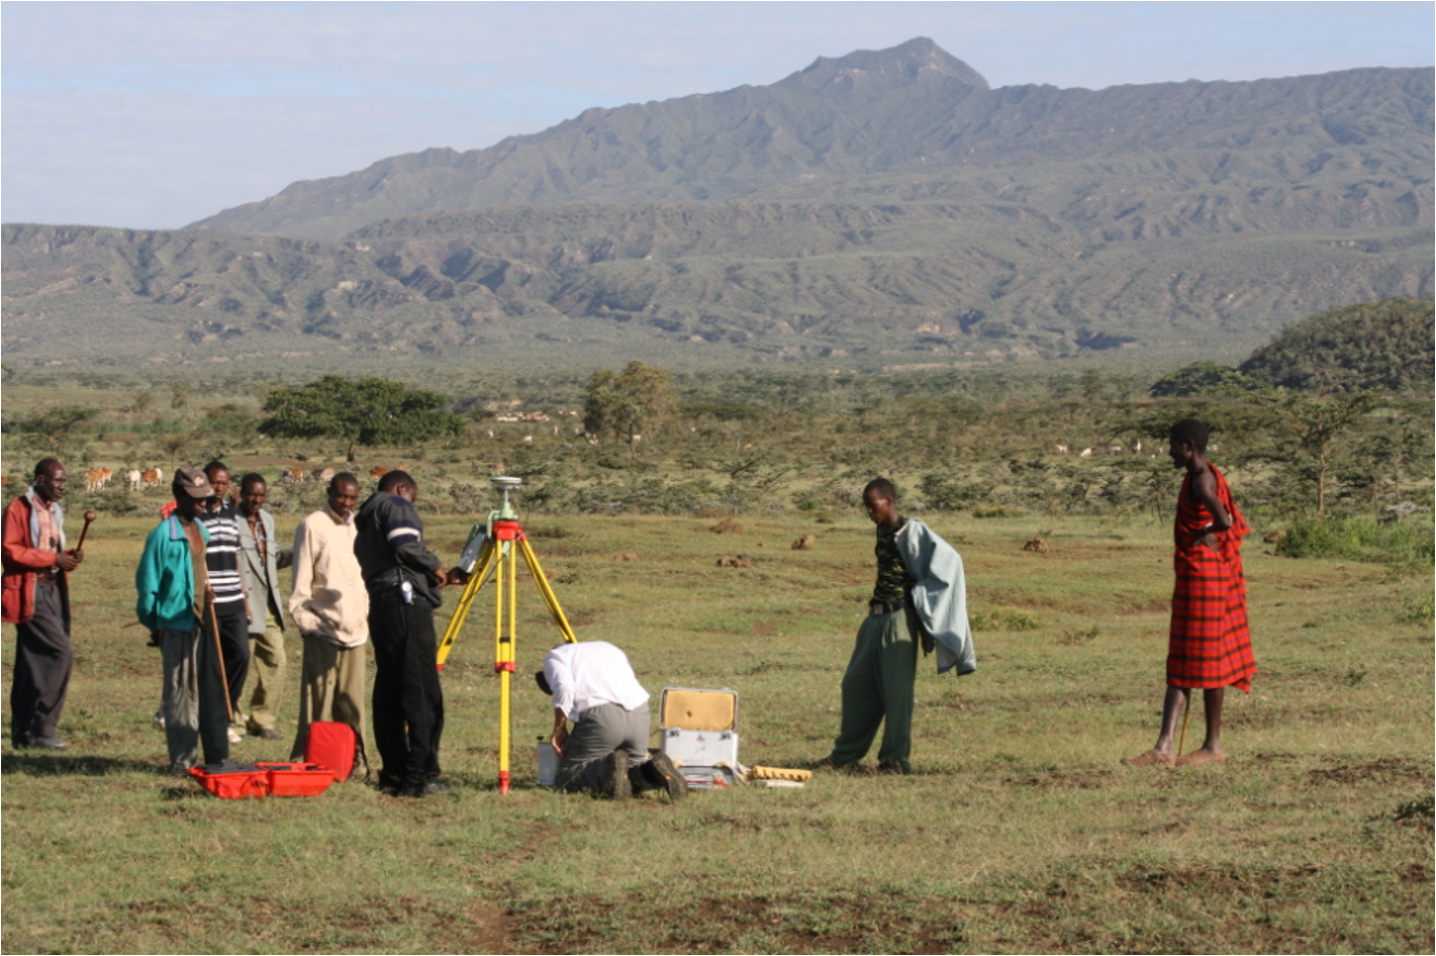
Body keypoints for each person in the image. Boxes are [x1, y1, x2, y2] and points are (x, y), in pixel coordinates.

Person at [821, 477, 976, 775]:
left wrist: (924, 605)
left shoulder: (912, 530)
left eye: (873, 506)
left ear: (889, 502)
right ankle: (845, 756)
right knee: (855, 684)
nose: (869, 512)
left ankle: (895, 759)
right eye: (866, 507)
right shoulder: (882, 530)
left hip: (899, 618)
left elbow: (951, 561)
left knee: (896, 690)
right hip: (875, 617)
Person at [1126, 419, 1255, 768]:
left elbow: (1225, 521)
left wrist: (1204, 532)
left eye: (1173, 445)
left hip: (1207, 578)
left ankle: (1211, 747)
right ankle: (1164, 747)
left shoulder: (1201, 480)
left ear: (1189, 447)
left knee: (1209, 659)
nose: (1169, 451)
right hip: (1198, 577)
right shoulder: (1198, 476)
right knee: (1183, 658)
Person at [354, 470, 455, 797]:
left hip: (382, 602)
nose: (411, 504)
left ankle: (394, 772)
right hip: (406, 602)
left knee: (390, 690)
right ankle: (421, 776)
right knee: (422, 691)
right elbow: (404, 544)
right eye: (413, 497)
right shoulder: (395, 504)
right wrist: (433, 564)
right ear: (400, 488)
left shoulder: (367, 519)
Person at [136, 467, 230, 773]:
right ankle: (182, 762)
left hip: (204, 621)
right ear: (178, 497)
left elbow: (199, 571)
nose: (203, 504)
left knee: (209, 691)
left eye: (205, 498)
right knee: (181, 694)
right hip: (176, 624)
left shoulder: (201, 531)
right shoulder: (163, 535)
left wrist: (207, 590)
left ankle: (217, 757)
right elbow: (147, 586)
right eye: (195, 499)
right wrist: (156, 627)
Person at [536, 640, 685, 801]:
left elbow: (564, 687)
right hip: (639, 713)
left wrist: (560, 727)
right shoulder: (608, 648)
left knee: (567, 776)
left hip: (602, 717)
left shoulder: (555, 657)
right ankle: (652, 769)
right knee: (631, 771)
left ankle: (608, 767)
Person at [3, 458, 85, 749]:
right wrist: (52, 559)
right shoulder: (19, 508)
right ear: (40, 479)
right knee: (60, 652)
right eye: (58, 480)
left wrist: (67, 558)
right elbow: (9, 550)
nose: (63, 486)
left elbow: (50, 549)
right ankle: (43, 727)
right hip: (29, 589)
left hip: (52, 589)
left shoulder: (54, 510)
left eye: (64, 481)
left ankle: (22, 735)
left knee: (29, 664)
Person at [288, 472, 369, 763]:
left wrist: (364, 613)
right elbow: (301, 583)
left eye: (352, 498)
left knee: (352, 705)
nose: (346, 503)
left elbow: (362, 577)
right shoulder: (312, 526)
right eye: (341, 496)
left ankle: (353, 763)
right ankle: (308, 763)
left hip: (356, 630)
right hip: (322, 628)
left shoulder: (359, 526)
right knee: (317, 706)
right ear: (329, 492)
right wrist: (308, 624)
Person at [198, 461, 250, 744]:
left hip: (234, 598)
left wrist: (245, 600)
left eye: (223, 483)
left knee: (241, 656)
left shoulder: (233, 515)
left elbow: (237, 559)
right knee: (211, 663)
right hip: (210, 599)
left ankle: (224, 712)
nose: (218, 488)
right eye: (214, 482)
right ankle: (215, 717)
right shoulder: (196, 515)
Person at [236, 474, 289, 740]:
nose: (256, 500)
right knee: (238, 666)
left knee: (276, 661)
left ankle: (263, 720)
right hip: (239, 604)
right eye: (251, 494)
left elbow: (271, 558)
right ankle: (233, 721)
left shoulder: (267, 521)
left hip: (268, 605)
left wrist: (302, 549)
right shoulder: (228, 523)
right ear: (241, 493)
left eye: (261, 495)